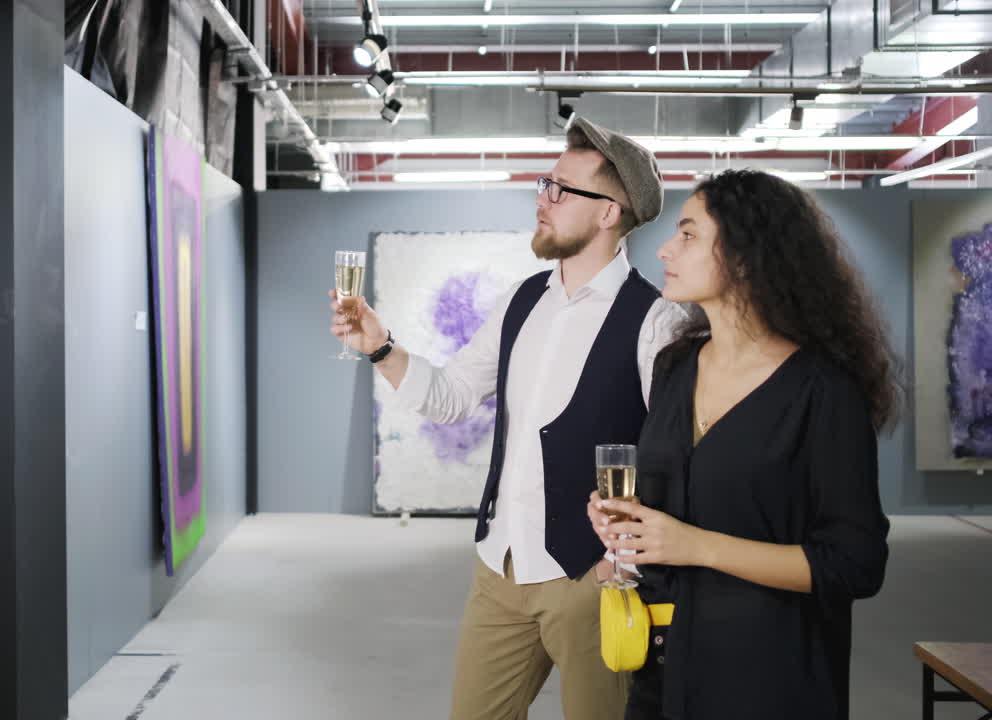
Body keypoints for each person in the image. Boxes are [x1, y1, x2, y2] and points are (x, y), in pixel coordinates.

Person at [329, 116, 684, 720]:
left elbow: (676, 458)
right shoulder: (523, 301)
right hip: (500, 567)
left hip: (590, 580)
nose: (542, 199)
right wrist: (381, 347)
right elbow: (451, 395)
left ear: (608, 213)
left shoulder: (657, 321)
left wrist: (624, 562)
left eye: (560, 189)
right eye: (545, 183)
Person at [588, 169, 897, 720]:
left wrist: (695, 545)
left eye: (687, 235)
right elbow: (675, 511)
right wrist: (628, 530)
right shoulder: (674, 367)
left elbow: (855, 565)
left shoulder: (823, 390)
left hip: (768, 681)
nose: (664, 249)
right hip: (661, 671)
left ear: (747, 255)